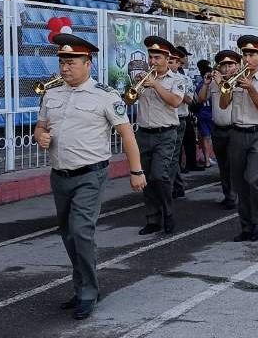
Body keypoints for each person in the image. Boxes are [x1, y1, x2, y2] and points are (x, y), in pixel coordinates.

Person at [34, 34, 145, 320]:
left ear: (88, 63)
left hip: (90, 175)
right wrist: (40, 136)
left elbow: (127, 134)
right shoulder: (52, 94)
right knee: (68, 234)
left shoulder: (105, 95)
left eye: (71, 62)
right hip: (60, 175)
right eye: (62, 62)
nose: (65, 67)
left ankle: (87, 292)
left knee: (82, 231)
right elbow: (41, 126)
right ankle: (82, 284)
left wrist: (136, 171)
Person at [220, 35, 258, 242]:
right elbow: (224, 104)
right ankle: (246, 226)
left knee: (251, 178)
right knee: (239, 182)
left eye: (251, 54)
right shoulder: (235, 77)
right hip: (236, 133)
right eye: (245, 54)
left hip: (257, 134)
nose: (247, 58)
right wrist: (227, 83)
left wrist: (251, 89)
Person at [134, 36, 185, 236]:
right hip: (144, 133)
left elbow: (175, 102)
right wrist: (136, 89)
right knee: (146, 177)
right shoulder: (143, 77)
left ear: (166, 58)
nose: (153, 61)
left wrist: (155, 85)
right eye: (151, 57)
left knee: (159, 175)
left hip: (166, 133)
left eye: (157, 58)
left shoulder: (176, 79)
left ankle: (168, 212)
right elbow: (129, 100)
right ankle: (152, 218)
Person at [199, 50, 240, 209]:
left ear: (236, 66)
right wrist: (206, 84)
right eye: (223, 65)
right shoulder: (215, 82)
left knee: (232, 164)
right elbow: (201, 99)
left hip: (234, 128)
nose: (226, 68)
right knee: (223, 165)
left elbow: (228, 99)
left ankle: (234, 195)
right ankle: (228, 194)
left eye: (230, 65)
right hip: (217, 128)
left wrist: (221, 83)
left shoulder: (239, 82)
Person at [167, 50, 195, 199]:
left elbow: (191, 101)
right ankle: (177, 186)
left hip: (179, 119)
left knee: (172, 156)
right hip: (165, 120)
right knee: (171, 156)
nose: (169, 64)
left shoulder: (184, 80)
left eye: (172, 62)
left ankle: (170, 188)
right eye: (168, 61)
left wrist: (176, 93)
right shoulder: (159, 78)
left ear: (178, 64)